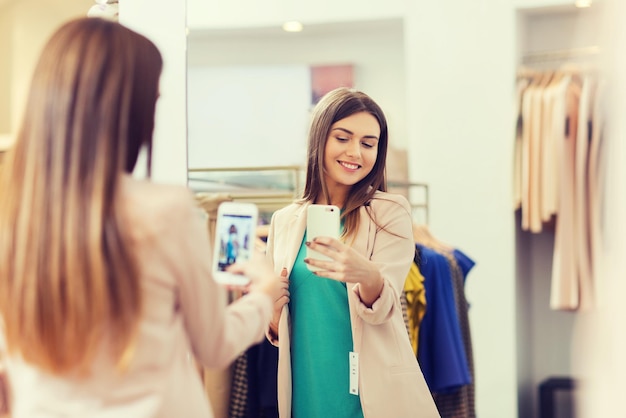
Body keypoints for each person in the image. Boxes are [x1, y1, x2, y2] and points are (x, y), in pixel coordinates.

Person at [0, 17, 281, 418]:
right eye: (153, 98)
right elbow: (213, 343)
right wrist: (263, 295)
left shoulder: (14, 217)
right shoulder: (164, 210)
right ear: (126, 109)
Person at [265, 87, 440, 417]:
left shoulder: (389, 212)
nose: (355, 152)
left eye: (368, 143)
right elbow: (281, 322)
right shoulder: (284, 222)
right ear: (320, 139)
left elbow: (384, 306)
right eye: (343, 138)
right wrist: (272, 318)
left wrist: (367, 275)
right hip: (308, 386)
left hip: (370, 393)